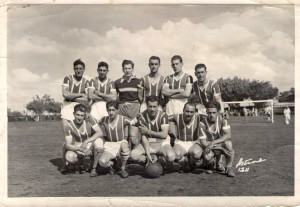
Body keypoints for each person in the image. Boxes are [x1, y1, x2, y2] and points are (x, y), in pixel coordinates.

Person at [60, 59, 90, 172]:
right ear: (74, 69)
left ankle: (77, 162)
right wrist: (79, 95)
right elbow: (65, 93)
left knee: (78, 137)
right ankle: (64, 164)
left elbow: (87, 98)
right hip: (67, 107)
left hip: (79, 108)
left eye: (80, 69)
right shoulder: (68, 78)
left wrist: (72, 96)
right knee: (67, 138)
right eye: (76, 68)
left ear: (83, 69)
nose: (78, 70)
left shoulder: (86, 82)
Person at [130, 96, 176, 168]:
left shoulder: (163, 116)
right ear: (146, 106)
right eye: (150, 106)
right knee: (134, 155)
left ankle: (159, 159)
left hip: (162, 142)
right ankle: (149, 159)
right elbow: (144, 137)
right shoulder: (142, 117)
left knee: (171, 157)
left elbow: (164, 135)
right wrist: (148, 155)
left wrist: (148, 131)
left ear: (158, 106)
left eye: (154, 106)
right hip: (149, 142)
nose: (152, 109)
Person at [90, 101, 131, 178]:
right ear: (107, 110)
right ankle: (113, 164)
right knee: (101, 162)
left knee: (125, 149)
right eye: (109, 110)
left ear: (117, 110)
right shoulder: (104, 119)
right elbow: (96, 124)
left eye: (113, 110)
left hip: (121, 143)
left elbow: (133, 122)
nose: (111, 112)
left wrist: (129, 136)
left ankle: (123, 169)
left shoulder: (123, 119)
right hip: (110, 144)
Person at [61, 104, 102, 174]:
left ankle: (94, 166)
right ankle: (79, 163)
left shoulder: (89, 120)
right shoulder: (69, 126)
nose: (79, 117)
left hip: (90, 144)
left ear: (85, 115)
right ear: (73, 114)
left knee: (99, 141)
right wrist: (81, 149)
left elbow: (100, 132)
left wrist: (87, 141)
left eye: (82, 115)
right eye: (77, 115)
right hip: (78, 146)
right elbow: (68, 145)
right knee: (69, 157)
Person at [198, 102, 235, 177]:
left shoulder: (223, 120)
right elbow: (203, 143)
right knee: (207, 156)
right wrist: (221, 149)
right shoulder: (202, 124)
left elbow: (228, 135)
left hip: (217, 143)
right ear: (206, 112)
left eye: (214, 113)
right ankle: (211, 164)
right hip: (209, 145)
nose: (211, 115)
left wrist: (214, 142)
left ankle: (228, 168)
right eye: (209, 112)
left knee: (229, 144)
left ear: (218, 112)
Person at [168, 102, 204, 172]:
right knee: (176, 156)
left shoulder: (199, 117)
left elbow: (211, 116)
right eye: (187, 111)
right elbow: (164, 117)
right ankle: (184, 161)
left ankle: (191, 162)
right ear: (183, 110)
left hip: (194, 142)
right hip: (180, 142)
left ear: (195, 112)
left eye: (191, 112)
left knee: (197, 154)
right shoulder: (177, 116)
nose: (189, 114)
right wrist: (171, 126)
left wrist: (223, 116)